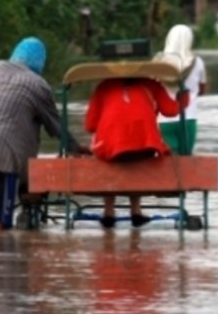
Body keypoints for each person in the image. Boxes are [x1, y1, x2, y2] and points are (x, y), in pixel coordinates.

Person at [0, 36, 86, 232]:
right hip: (2, 156)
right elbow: (56, 127)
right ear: (40, 62)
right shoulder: (39, 85)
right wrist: (75, 148)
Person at [84, 76, 187, 228]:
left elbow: (90, 125)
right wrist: (184, 97)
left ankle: (108, 211)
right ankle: (135, 210)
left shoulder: (105, 86)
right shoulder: (152, 84)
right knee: (137, 156)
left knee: (109, 156)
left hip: (112, 148)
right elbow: (171, 110)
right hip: (146, 145)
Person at [155, 24, 208, 156]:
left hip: (164, 121)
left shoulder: (158, 62)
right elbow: (202, 89)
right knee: (186, 162)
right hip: (188, 120)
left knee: (167, 162)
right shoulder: (197, 62)